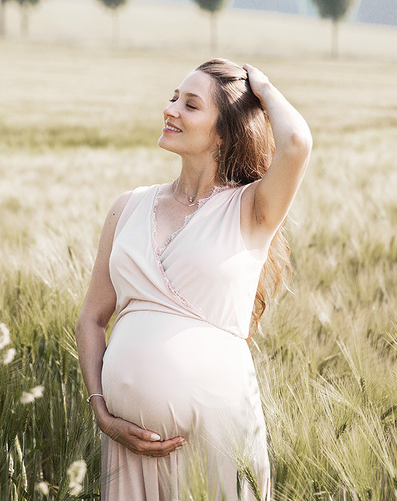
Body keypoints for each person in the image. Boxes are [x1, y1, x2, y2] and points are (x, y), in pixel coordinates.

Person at [75, 58, 312, 501]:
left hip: (218, 443)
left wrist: (260, 86)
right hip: (129, 449)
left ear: (223, 131)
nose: (171, 110)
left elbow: (296, 142)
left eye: (191, 104)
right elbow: (91, 319)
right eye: (172, 98)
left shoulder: (252, 210)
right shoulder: (126, 207)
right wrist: (101, 410)